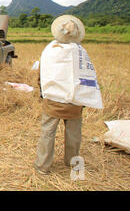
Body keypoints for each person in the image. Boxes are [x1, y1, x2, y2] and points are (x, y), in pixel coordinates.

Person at [34, 15, 102, 175]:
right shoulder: (80, 52)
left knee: (47, 133)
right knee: (73, 133)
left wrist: (43, 92)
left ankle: (42, 166)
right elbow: (88, 76)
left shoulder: (49, 50)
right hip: (75, 102)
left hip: (52, 101)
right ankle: (72, 162)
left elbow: (41, 75)